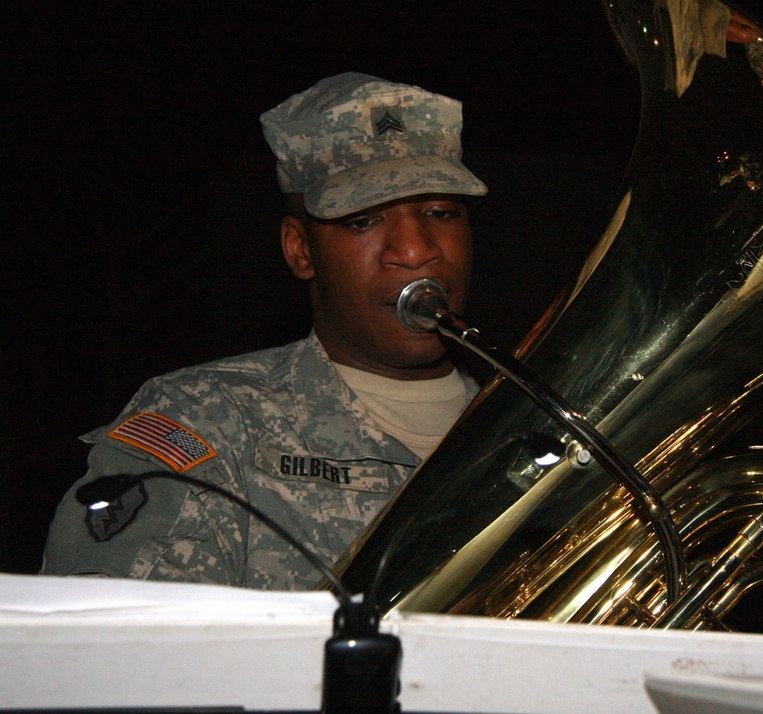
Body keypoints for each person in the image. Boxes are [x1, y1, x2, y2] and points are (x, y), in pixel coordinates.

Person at [41, 73, 488, 590]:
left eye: (441, 212)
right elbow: (118, 648)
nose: (415, 250)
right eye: (362, 221)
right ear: (300, 250)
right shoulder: (206, 418)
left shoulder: (542, 430)